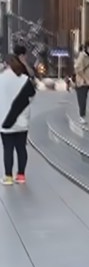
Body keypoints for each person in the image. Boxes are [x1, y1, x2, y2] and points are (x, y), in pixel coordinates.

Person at [0, 53, 36, 185]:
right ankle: (21, 175)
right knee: (21, 148)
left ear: (6, 64)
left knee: (7, 148)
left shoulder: (1, 79)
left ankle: (8, 176)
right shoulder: (25, 79)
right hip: (21, 120)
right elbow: (32, 96)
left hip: (5, 120)